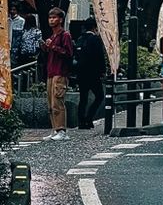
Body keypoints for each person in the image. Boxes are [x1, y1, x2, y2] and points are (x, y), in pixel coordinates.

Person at [41, 7, 74, 142]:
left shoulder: (64, 35)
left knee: (57, 101)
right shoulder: (52, 36)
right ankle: (55, 129)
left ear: (60, 19)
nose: (51, 20)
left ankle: (61, 130)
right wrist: (45, 47)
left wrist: (52, 47)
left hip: (60, 72)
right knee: (50, 103)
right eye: (50, 17)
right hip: (51, 71)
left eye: (54, 17)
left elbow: (68, 53)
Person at [74, 16, 106, 129]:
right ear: (94, 27)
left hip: (81, 73)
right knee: (99, 96)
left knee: (83, 97)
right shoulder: (95, 39)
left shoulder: (80, 39)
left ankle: (81, 121)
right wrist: (103, 70)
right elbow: (99, 56)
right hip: (93, 73)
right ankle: (89, 118)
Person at [15, 13, 41, 84]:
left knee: (31, 71)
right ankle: (23, 85)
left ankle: (32, 85)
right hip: (23, 54)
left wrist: (36, 53)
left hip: (32, 54)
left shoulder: (37, 31)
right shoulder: (23, 31)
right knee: (23, 71)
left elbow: (38, 43)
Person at [9, 4, 25, 68]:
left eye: (14, 10)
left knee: (14, 63)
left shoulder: (21, 20)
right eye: (11, 10)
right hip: (8, 43)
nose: (12, 11)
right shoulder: (7, 20)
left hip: (16, 45)